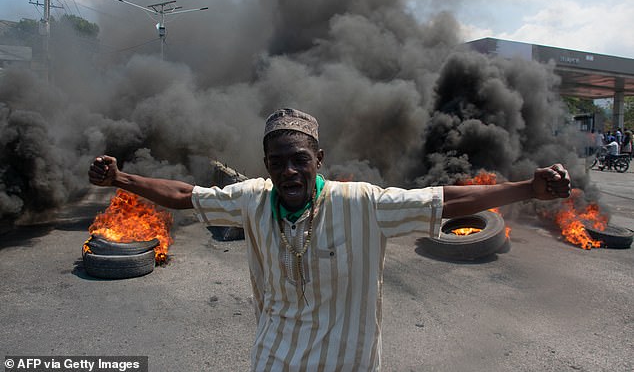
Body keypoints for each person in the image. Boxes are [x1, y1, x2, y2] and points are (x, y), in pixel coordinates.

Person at [88, 108, 571, 371]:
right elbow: (183, 195)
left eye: (299, 159)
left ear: (319, 158)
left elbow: (440, 200)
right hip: (274, 359)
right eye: (277, 162)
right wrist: (121, 180)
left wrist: (528, 189)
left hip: (347, 362)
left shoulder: (362, 202)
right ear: (266, 166)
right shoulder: (252, 199)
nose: (289, 171)